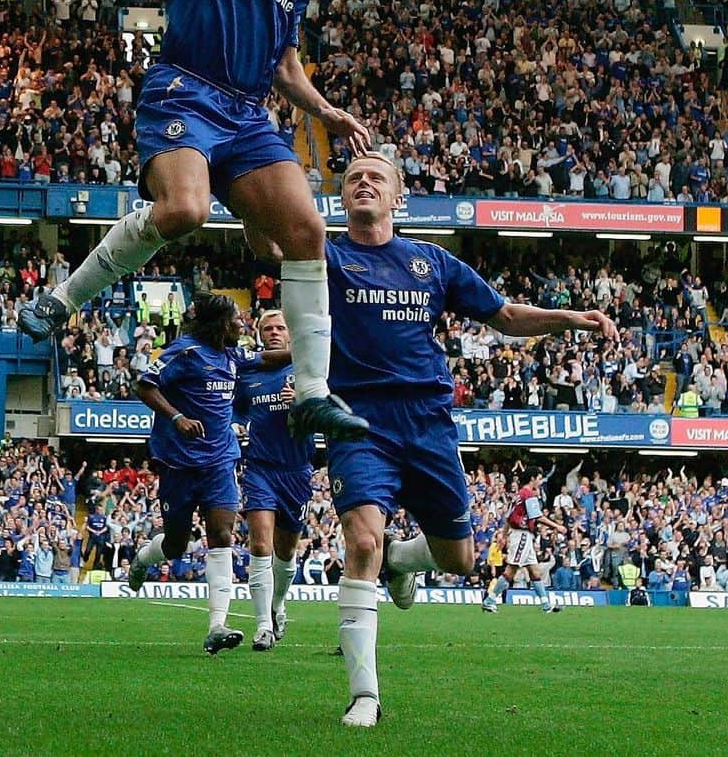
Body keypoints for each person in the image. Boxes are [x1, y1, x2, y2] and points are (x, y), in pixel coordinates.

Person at [18, 0, 370, 444]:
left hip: (247, 114)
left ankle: (314, 396)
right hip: (185, 89)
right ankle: (60, 300)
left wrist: (327, 111)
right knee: (183, 211)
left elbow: (287, 68)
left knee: (307, 233)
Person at [298, 152, 616, 728]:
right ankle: (364, 694)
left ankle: (402, 558)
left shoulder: (431, 262)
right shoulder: (324, 256)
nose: (363, 183)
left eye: (377, 178)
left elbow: (506, 316)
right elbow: (269, 236)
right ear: (341, 197)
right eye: (353, 179)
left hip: (428, 422)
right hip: (359, 421)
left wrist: (569, 318)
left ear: (399, 199)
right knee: (361, 542)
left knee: (460, 559)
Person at [127, 293, 289, 654]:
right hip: (179, 464)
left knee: (222, 535)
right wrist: (176, 417)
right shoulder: (184, 353)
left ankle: (217, 624)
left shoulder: (232, 356)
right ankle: (142, 559)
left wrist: (318, 349)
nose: (241, 325)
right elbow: (144, 384)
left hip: (220, 462)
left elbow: (268, 357)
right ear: (219, 323)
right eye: (235, 320)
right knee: (176, 544)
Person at [235, 308, 310, 651]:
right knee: (260, 546)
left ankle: (277, 604)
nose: (275, 332)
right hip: (259, 468)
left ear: (291, 333)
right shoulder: (247, 372)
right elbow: (230, 413)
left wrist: (304, 403)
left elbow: (331, 410)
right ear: (259, 333)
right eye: (269, 328)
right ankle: (263, 625)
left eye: (281, 327)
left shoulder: (308, 369)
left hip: (297, 469)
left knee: (286, 550)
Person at [481, 466, 567, 614]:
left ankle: (546, 605)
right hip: (522, 534)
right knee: (511, 570)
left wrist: (504, 534)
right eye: (539, 478)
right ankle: (490, 600)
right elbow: (537, 516)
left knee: (535, 572)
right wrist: (557, 526)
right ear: (533, 478)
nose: (540, 482)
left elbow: (509, 516)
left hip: (522, 534)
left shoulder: (519, 494)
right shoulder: (528, 494)